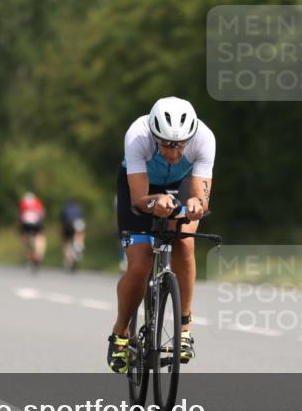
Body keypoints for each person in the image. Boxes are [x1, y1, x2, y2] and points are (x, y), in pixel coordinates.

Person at [109, 96, 214, 373]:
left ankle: (185, 327)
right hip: (141, 187)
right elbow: (139, 199)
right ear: (155, 137)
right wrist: (155, 202)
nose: (174, 152)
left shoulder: (204, 138)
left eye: (181, 145)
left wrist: (195, 205)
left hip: (181, 184)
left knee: (185, 243)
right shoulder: (137, 136)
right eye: (167, 145)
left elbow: (202, 198)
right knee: (140, 263)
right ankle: (120, 333)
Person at [19, 192, 46, 267]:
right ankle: (39, 256)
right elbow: (42, 213)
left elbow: (20, 215)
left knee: (25, 238)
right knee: (40, 238)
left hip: (26, 223)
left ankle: (28, 255)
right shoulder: (37, 201)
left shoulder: (23, 202)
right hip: (37, 223)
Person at [59, 200, 86, 271]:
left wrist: (62, 233)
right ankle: (79, 246)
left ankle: (68, 261)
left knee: (67, 243)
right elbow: (82, 220)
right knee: (79, 237)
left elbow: (62, 222)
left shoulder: (64, 209)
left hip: (68, 225)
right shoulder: (79, 209)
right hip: (78, 225)